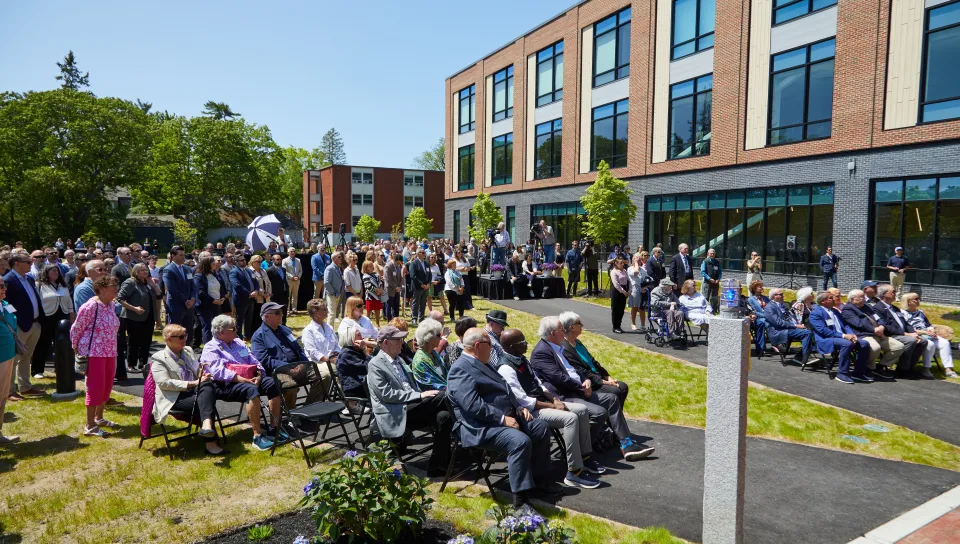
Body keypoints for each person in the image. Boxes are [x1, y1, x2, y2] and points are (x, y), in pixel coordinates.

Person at [447, 327, 559, 508]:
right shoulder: (460, 369)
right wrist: (502, 419)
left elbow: (505, 388)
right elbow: (471, 404)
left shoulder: (483, 362)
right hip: (480, 426)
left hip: (507, 418)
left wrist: (519, 406)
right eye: (490, 344)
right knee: (519, 441)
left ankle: (539, 481)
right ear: (477, 346)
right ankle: (521, 502)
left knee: (540, 428)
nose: (492, 348)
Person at [529, 316, 652, 461]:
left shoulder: (557, 347)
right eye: (561, 330)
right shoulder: (541, 353)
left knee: (612, 399)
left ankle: (626, 444)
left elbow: (573, 370)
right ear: (552, 333)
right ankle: (580, 451)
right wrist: (583, 387)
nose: (564, 332)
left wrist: (586, 380)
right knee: (599, 412)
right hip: (564, 396)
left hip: (577, 388)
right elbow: (559, 379)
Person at [498, 328, 602, 489]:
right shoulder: (506, 368)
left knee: (581, 410)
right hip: (531, 411)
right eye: (522, 342)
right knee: (570, 418)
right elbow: (522, 400)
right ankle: (573, 472)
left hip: (545, 402)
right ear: (512, 347)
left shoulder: (522, 360)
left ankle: (584, 456)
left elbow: (538, 384)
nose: (527, 344)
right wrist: (552, 405)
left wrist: (553, 398)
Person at [366, 325, 452, 475]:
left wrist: (419, 395)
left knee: (444, 416)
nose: (402, 342)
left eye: (402, 339)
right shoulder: (376, 364)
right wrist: (419, 396)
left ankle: (438, 466)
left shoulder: (399, 359)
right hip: (396, 410)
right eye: (398, 339)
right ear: (386, 342)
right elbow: (387, 394)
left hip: (412, 408)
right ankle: (473, 438)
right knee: (444, 396)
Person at [202, 315, 287, 450]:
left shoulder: (238, 342)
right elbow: (217, 372)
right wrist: (241, 379)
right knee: (250, 389)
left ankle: (274, 428)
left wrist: (258, 374)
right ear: (222, 332)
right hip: (226, 384)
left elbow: (254, 360)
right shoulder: (211, 348)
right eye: (233, 328)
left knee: (272, 383)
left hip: (249, 378)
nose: (237, 330)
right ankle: (257, 436)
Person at [150, 324, 228, 455]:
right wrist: (193, 383)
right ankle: (210, 442)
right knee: (206, 400)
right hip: (174, 397)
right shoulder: (159, 358)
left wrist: (202, 374)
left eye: (185, 335)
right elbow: (164, 383)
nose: (185, 339)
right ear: (169, 339)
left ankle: (207, 427)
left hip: (193, 392)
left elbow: (196, 371)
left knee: (207, 387)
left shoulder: (187, 351)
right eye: (181, 337)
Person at [70, 276, 121, 438]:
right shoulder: (90, 306)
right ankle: (89, 425)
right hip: (94, 353)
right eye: (114, 286)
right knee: (95, 387)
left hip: (110, 351)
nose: (116, 289)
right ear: (102, 289)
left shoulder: (111, 305)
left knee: (106, 386)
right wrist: (76, 347)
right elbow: (76, 328)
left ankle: (99, 418)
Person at [560, 312, 630, 410]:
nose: (582, 325)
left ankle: (614, 419)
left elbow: (593, 362)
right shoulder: (565, 348)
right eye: (579, 323)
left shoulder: (577, 342)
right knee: (615, 391)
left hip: (598, 377)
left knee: (623, 387)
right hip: (590, 382)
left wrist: (608, 376)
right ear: (571, 327)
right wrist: (604, 382)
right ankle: (610, 420)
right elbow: (581, 371)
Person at [4, 253, 44, 399]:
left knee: (27, 357)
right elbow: (5, 303)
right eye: (27, 261)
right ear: (17, 263)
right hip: (19, 326)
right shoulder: (8, 280)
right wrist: (15, 322)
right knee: (13, 360)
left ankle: (25, 387)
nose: (31, 263)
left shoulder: (29, 278)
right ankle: (9, 391)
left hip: (34, 323)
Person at [808, 291, 871, 384]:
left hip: (842, 337)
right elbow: (823, 331)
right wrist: (844, 336)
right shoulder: (815, 313)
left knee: (864, 344)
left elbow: (845, 325)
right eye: (830, 298)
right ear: (822, 301)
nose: (833, 299)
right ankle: (842, 373)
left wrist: (852, 334)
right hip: (826, 339)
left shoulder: (835, 311)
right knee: (847, 344)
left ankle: (858, 372)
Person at [841, 289, 904, 380]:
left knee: (898, 346)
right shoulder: (847, 310)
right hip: (863, 334)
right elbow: (859, 324)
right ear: (852, 299)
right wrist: (874, 330)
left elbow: (878, 318)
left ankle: (880, 367)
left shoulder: (867, 307)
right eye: (862, 297)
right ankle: (868, 368)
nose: (864, 298)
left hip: (878, 333)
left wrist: (882, 326)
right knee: (875, 348)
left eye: (864, 296)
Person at [875, 283, 926, 378]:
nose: (896, 293)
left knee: (923, 341)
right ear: (885, 294)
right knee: (911, 340)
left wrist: (913, 333)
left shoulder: (895, 308)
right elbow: (886, 327)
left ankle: (910, 368)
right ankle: (902, 369)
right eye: (893, 292)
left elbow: (906, 323)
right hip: (891, 335)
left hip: (903, 334)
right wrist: (906, 334)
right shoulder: (878, 308)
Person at [901, 293, 958, 378]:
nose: (918, 301)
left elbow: (928, 325)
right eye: (915, 299)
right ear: (908, 302)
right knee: (929, 344)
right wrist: (923, 332)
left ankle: (948, 369)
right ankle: (926, 369)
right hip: (915, 335)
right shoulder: (902, 313)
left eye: (919, 298)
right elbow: (905, 328)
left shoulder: (920, 312)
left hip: (927, 334)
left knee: (945, 343)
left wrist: (932, 330)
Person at [33, 264, 75, 379]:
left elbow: (69, 300)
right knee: (43, 343)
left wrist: (71, 314)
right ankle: (38, 370)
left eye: (57, 271)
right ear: (46, 273)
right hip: (46, 317)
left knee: (62, 343)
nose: (56, 273)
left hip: (63, 316)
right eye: (52, 271)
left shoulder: (63, 285)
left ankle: (61, 368)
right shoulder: (39, 285)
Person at [117, 263, 158, 373]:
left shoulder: (147, 282)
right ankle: (131, 364)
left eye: (146, 270)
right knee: (134, 342)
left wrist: (153, 285)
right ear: (135, 272)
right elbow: (120, 298)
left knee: (146, 341)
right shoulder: (130, 282)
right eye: (142, 270)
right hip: (133, 317)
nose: (145, 272)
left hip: (148, 317)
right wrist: (134, 308)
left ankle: (143, 364)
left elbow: (159, 295)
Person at [764, 288, 813, 365]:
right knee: (807, 333)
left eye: (782, 294)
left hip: (788, 328)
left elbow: (790, 317)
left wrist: (798, 324)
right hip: (778, 331)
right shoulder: (769, 308)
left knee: (813, 333)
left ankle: (800, 356)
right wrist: (795, 325)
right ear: (774, 296)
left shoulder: (782, 305)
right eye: (780, 294)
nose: (783, 295)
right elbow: (778, 323)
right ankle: (803, 358)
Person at [336, 324, 376, 415]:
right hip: (355, 389)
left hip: (364, 384)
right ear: (351, 338)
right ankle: (351, 405)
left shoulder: (355, 350)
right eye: (359, 335)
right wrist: (366, 351)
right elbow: (370, 366)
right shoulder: (347, 354)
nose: (362, 338)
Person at [162, 246, 197, 346]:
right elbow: (172, 289)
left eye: (184, 255)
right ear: (173, 256)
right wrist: (186, 301)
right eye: (180, 255)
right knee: (175, 332)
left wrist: (193, 299)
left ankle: (187, 351)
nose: (183, 257)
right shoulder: (168, 270)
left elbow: (193, 286)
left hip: (189, 306)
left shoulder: (187, 269)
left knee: (188, 331)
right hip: (176, 306)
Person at [0, 276, 20, 443]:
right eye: (0, 286)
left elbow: (13, 322)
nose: (4, 288)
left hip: (8, 354)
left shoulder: (6, 305)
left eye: (4, 285)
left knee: (3, 395)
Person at [410, 318, 450, 390]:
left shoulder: (433, 353)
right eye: (438, 335)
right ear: (428, 338)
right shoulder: (420, 360)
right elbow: (432, 385)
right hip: (434, 397)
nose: (441, 338)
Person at [193, 256, 225, 344]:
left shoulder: (214, 274)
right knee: (207, 326)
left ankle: (216, 345)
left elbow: (220, 286)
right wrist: (213, 300)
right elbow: (200, 292)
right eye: (213, 262)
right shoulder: (198, 276)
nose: (215, 263)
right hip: (205, 306)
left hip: (217, 305)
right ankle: (208, 347)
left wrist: (222, 297)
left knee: (216, 326)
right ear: (207, 264)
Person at [229, 254, 254, 340]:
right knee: (239, 320)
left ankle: (247, 335)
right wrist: (249, 293)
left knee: (249, 318)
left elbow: (255, 281)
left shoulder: (249, 271)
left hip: (251, 298)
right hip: (241, 299)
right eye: (241, 260)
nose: (244, 261)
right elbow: (237, 285)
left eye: (244, 260)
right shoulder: (234, 272)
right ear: (236, 262)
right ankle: (238, 336)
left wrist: (256, 290)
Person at [248, 255, 271, 335]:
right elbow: (253, 285)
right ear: (252, 262)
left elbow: (268, 282)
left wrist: (268, 292)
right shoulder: (249, 271)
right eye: (258, 261)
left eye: (261, 261)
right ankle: (255, 333)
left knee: (264, 315)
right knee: (256, 316)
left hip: (265, 297)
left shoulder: (263, 271)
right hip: (257, 297)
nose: (260, 263)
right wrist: (262, 292)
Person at [323, 251, 346, 326]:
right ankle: (329, 334)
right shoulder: (329, 268)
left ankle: (330, 332)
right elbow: (326, 282)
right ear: (333, 259)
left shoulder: (338, 268)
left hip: (337, 294)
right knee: (332, 314)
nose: (341, 258)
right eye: (339, 257)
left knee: (334, 313)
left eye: (341, 257)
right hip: (331, 294)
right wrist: (334, 293)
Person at [747, 280, 770, 353]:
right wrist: (765, 316)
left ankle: (777, 344)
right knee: (762, 322)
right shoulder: (751, 300)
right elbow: (753, 312)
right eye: (760, 287)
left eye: (762, 287)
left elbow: (770, 309)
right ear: (754, 288)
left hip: (767, 319)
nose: (762, 288)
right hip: (756, 320)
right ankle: (760, 348)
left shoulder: (766, 298)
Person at [267, 254, 289, 325]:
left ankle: (284, 324)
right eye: (277, 259)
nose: (279, 261)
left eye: (280, 259)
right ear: (273, 260)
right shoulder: (269, 270)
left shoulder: (283, 269)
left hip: (284, 293)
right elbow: (268, 283)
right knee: (275, 311)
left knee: (284, 310)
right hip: (275, 295)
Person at [609, 255, 630, 334]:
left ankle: (619, 325)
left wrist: (629, 290)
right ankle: (615, 326)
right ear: (616, 263)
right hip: (617, 292)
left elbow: (629, 280)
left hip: (624, 291)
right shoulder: (613, 272)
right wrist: (624, 292)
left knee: (621, 309)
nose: (622, 264)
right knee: (615, 310)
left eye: (623, 263)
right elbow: (616, 284)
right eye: (620, 263)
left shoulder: (624, 271)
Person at [361, 260, 384, 328]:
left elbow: (380, 283)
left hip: (377, 296)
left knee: (377, 310)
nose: (372, 267)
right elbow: (368, 286)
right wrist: (377, 291)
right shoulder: (365, 276)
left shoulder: (376, 274)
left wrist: (380, 290)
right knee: (368, 312)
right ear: (366, 268)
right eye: (370, 266)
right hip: (370, 297)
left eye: (372, 265)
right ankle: (365, 325)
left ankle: (377, 324)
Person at [700, 248, 721, 313]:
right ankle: (704, 311)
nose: (712, 254)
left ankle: (713, 311)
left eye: (713, 253)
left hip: (715, 283)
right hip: (707, 283)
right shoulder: (705, 261)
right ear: (708, 254)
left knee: (714, 298)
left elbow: (720, 272)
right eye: (711, 253)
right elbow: (703, 272)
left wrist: (718, 279)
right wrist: (709, 279)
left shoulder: (717, 262)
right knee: (705, 297)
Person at [282, 248, 302, 315]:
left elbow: (300, 270)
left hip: (297, 281)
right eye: (291, 251)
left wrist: (298, 276)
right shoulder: (284, 260)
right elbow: (284, 271)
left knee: (295, 295)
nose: (293, 252)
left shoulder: (298, 260)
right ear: (288, 253)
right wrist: (292, 277)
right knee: (288, 296)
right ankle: (287, 311)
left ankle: (294, 309)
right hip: (289, 280)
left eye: (294, 251)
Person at [383, 253, 403, 321]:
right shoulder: (388, 266)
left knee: (396, 306)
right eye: (398, 262)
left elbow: (400, 278)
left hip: (397, 290)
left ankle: (396, 320)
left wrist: (399, 287)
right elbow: (388, 279)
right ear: (394, 260)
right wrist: (396, 287)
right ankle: (389, 321)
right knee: (389, 306)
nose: (399, 263)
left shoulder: (398, 266)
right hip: (389, 289)